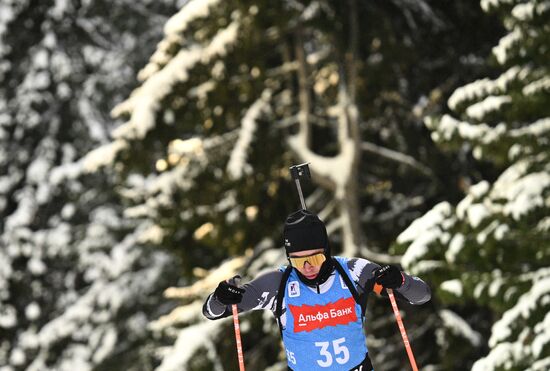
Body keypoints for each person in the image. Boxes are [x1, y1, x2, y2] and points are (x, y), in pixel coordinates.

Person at [203, 209, 431, 371]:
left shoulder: (354, 272)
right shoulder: (277, 284)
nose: (308, 267)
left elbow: (422, 296)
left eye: (315, 257)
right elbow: (212, 312)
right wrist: (220, 297)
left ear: (327, 250)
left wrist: (400, 280)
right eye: (298, 261)